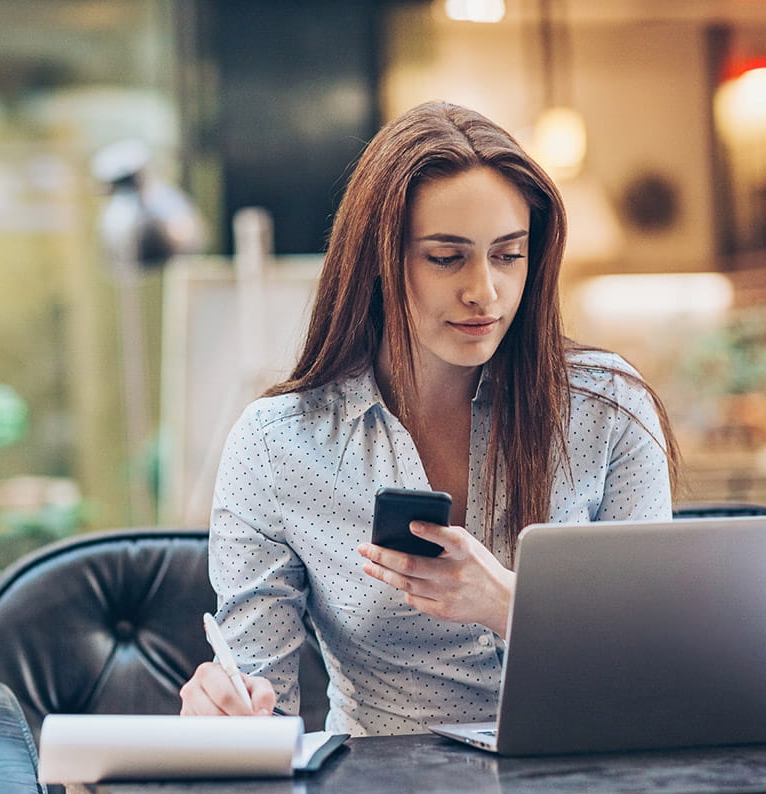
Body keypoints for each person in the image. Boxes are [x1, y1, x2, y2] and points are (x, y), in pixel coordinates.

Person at [179, 100, 677, 736]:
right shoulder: (280, 443)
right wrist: (223, 712)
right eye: (447, 258)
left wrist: (509, 606)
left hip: (581, 782)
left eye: (508, 255)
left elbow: (657, 661)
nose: (484, 292)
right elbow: (260, 704)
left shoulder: (607, 406)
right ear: (378, 263)